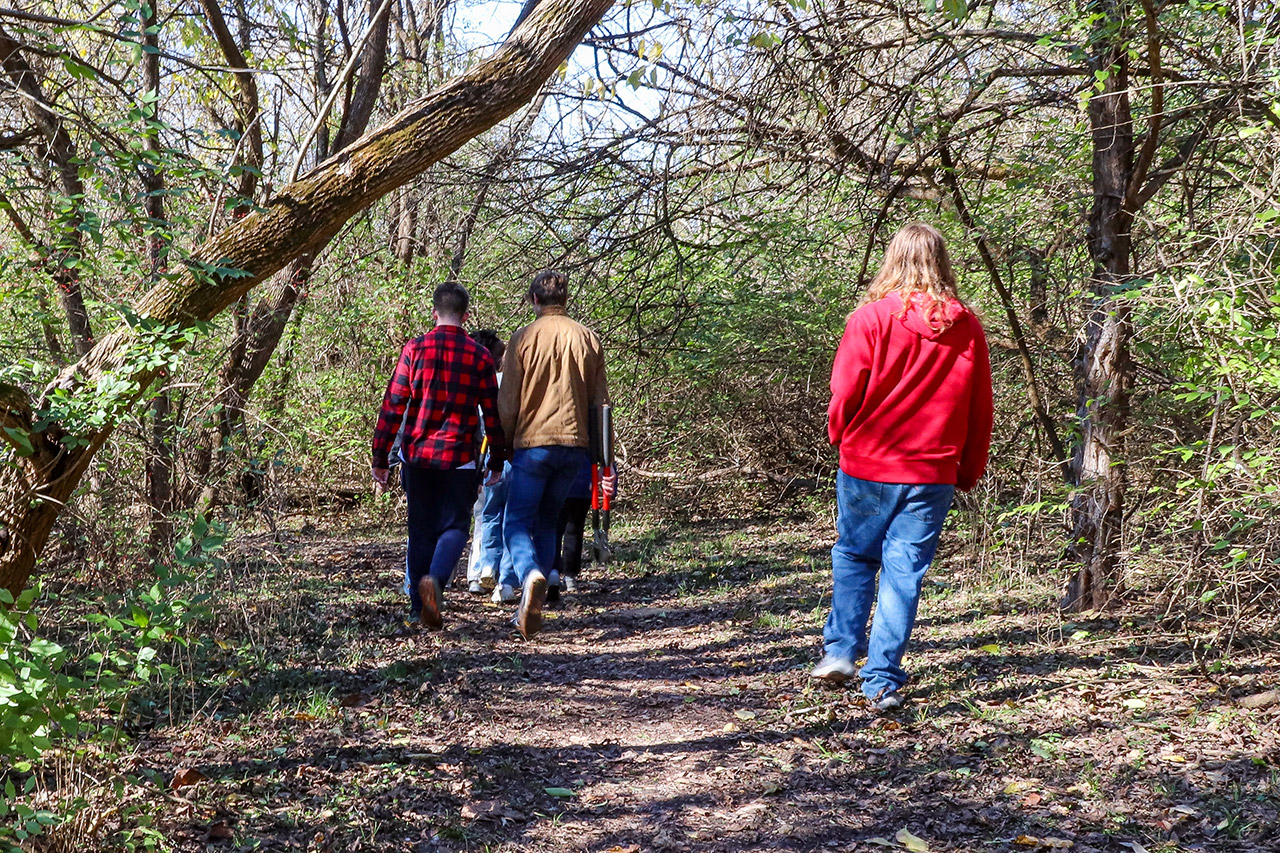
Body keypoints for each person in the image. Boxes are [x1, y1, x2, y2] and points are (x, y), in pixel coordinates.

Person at [815, 222, 993, 710]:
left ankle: (842, 652)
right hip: (932, 471)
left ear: (893, 259)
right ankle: (882, 680)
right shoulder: (968, 327)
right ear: (942, 263)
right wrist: (968, 469)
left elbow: (845, 394)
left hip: (869, 464)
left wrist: (841, 437)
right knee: (903, 573)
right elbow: (981, 408)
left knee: (854, 556)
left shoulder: (869, 319)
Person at [371, 282, 506, 630]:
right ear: (465, 315)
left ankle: (419, 607)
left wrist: (380, 456)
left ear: (435, 312)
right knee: (456, 528)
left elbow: (393, 405)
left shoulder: (414, 350)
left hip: (417, 456)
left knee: (420, 531)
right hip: (460, 459)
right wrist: (496, 459)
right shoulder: (480, 357)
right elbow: (492, 413)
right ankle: (436, 583)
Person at [499, 269, 611, 638]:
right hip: (574, 448)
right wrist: (602, 457)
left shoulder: (522, 339)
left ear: (533, 300)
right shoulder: (588, 338)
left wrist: (503, 444)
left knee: (515, 521)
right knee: (548, 521)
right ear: (565, 300)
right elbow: (601, 405)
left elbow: (508, 403)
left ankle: (530, 573)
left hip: (533, 444)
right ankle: (538, 589)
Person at [465, 329, 519, 603]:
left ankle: (483, 569)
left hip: (487, 456)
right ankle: (506, 582)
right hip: (512, 455)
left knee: (487, 515)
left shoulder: (477, 382)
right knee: (514, 519)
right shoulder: (514, 383)